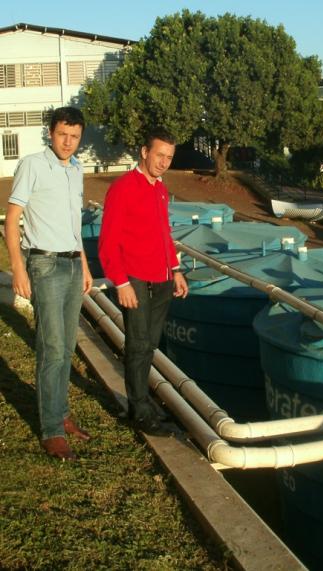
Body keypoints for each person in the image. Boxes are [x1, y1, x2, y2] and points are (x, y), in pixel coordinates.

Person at [5, 106, 94, 461]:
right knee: (52, 348)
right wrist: (18, 268)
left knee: (66, 347)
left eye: (74, 137)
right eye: (62, 135)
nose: (68, 142)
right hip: (44, 263)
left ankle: (61, 414)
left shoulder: (76, 170)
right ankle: (51, 431)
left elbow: (75, 225)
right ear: (50, 133)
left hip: (72, 264)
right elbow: (12, 220)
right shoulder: (32, 164)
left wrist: (85, 265)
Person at [98, 127, 188, 435]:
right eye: (160, 155)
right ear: (144, 152)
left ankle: (144, 402)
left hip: (161, 278)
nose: (164, 162)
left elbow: (164, 233)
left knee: (150, 344)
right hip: (135, 279)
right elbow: (107, 241)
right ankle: (138, 410)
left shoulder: (161, 188)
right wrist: (120, 282)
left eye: (169, 157)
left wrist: (175, 270)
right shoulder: (123, 187)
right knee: (137, 345)